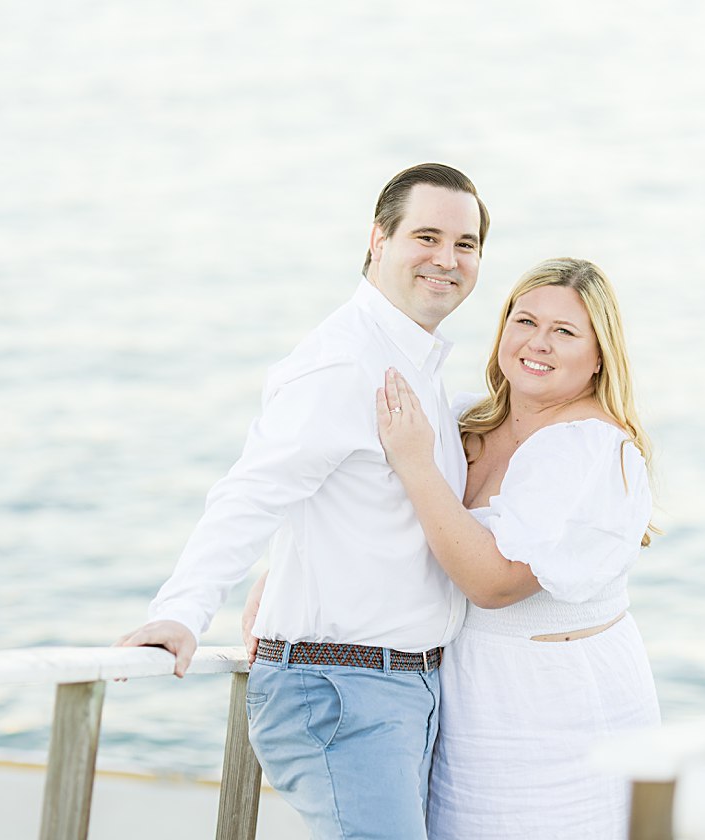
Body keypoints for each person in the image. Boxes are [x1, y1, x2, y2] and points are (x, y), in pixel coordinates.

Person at [116, 163, 490, 840]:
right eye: (426, 236)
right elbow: (253, 491)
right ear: (378, 239)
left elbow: (345, 505)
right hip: (342, 693)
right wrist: (180, 611)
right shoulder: (345, 364)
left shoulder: (414, 361)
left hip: (407, 690)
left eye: (465, 244)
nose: (447, 259)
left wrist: (282, 571)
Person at [375, 257, 661, 840]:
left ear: (600, 353)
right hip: (467, 697)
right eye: (524, 321)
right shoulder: (463, 420)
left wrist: (415, 462)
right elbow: (370, 518)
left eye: (565, 332)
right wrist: (277, 586)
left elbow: (496, 582)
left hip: (562, 709)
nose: (539, 343)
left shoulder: (590, 450)